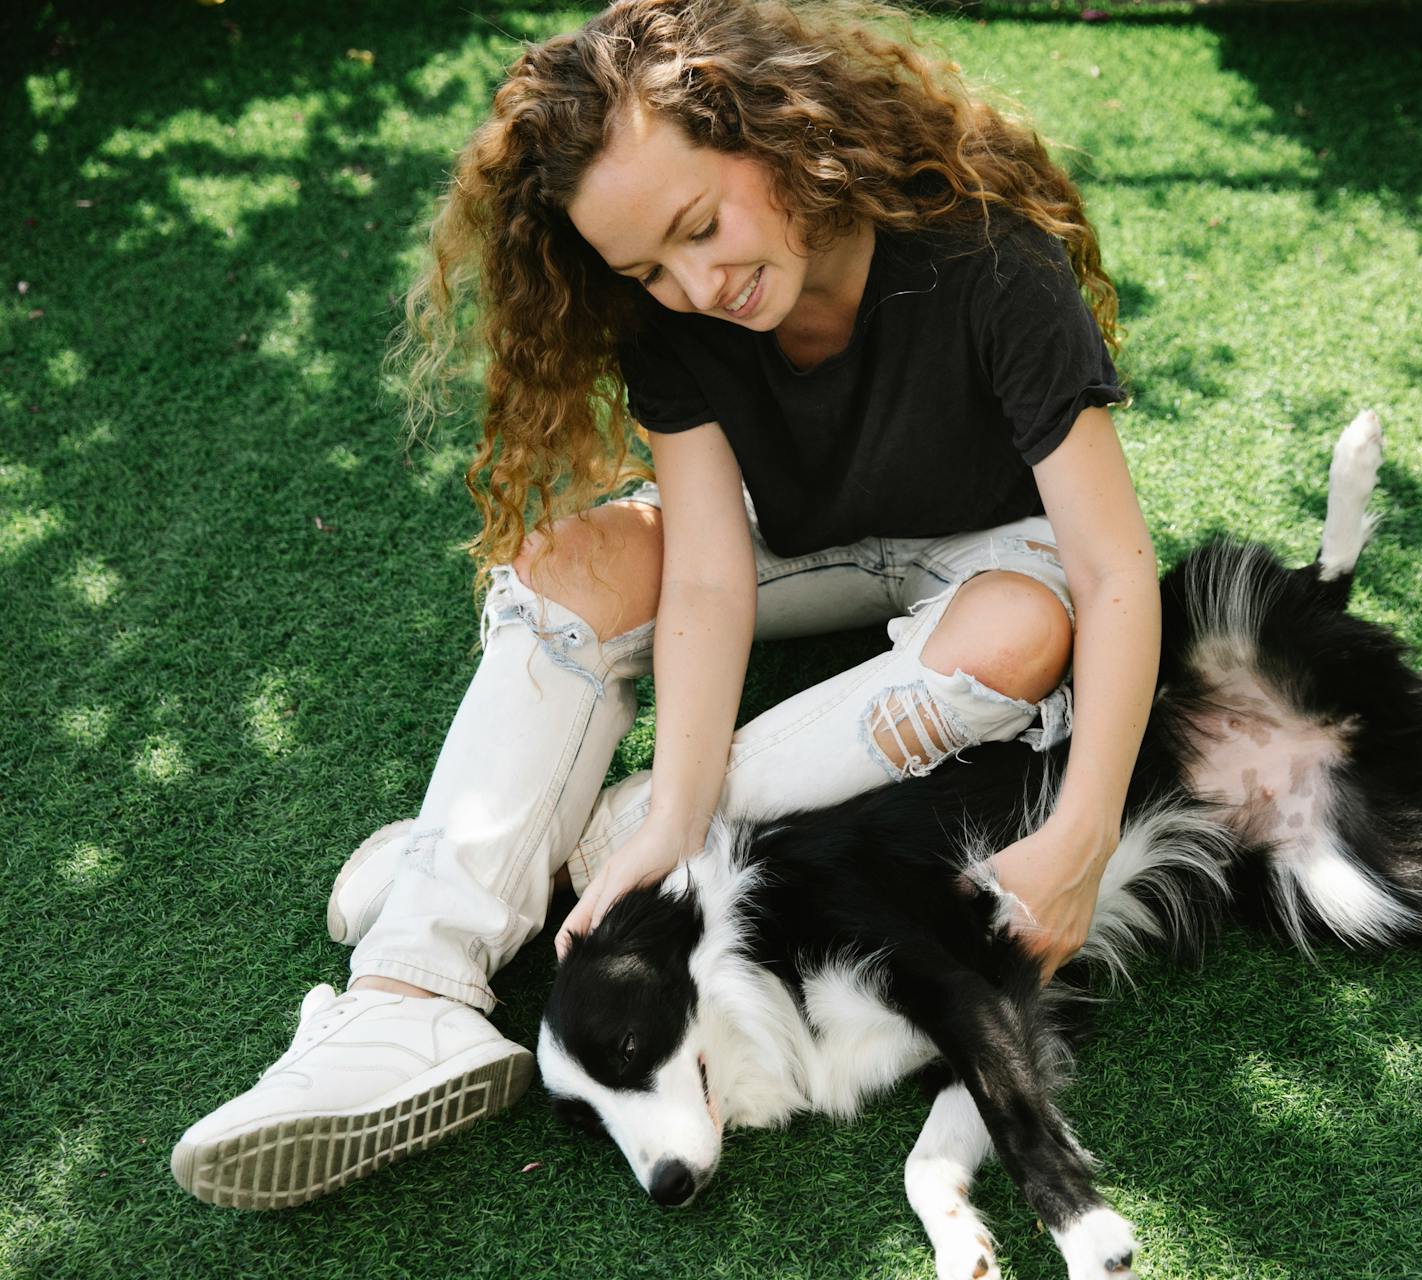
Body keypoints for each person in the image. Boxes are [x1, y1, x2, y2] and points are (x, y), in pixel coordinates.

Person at [172, 0, 1159, 1210]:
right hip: (801, 543)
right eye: (648, 268)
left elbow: (1115, 571)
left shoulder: (990, 258)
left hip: (996, 549)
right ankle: (408, 990)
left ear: (784, 129)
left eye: (700, 226)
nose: (699, 283)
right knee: (570, 563)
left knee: (1018, 634)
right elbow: (702, 570)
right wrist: (687, 809)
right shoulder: (676, 313)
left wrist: (1084, 834)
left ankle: (551, 851)